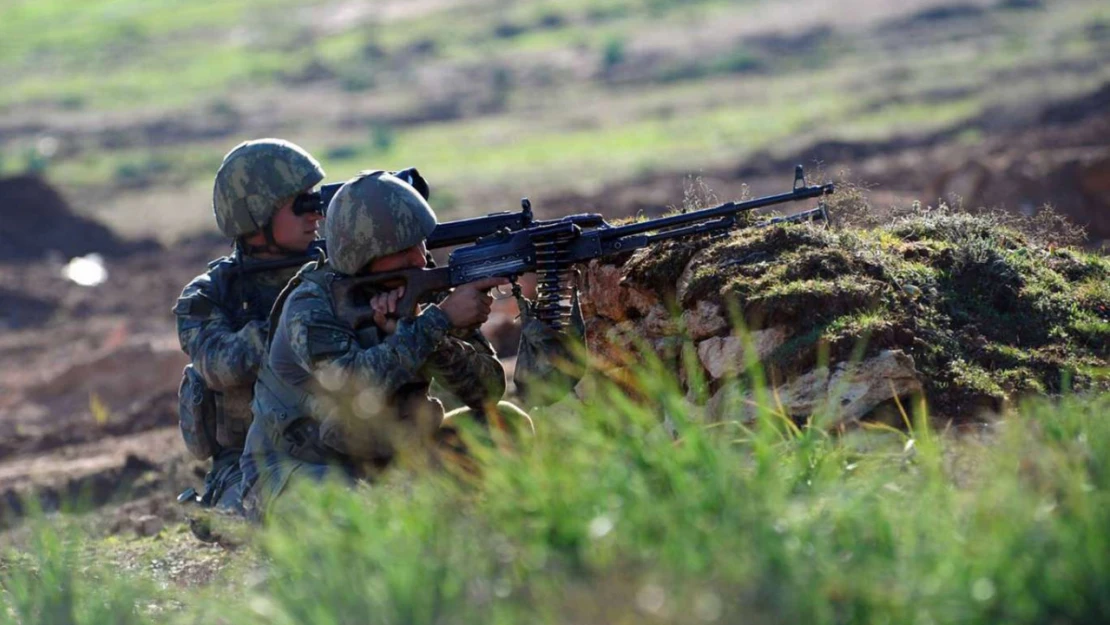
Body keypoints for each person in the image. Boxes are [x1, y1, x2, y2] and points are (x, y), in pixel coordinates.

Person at [241, 170, 532, 517]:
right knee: (353, 516)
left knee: (504, 424)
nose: (419, 258)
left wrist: (434, 336)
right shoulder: (311, 305)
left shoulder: (420, 282)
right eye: (402, 250)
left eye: (421, 242)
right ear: (361, 257)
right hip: (299, 467)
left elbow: (487, 392)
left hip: (390, 456)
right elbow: (353, 387)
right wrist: (434, 323)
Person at [173, 138, 327, 512]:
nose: (316, 215)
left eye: (316, 201)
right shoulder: (211, 295)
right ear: (258, 214)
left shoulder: (336, 271)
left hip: (342, 444)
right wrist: (300, 320)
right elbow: (219, 365)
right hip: (250, 464)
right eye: (301, 204)